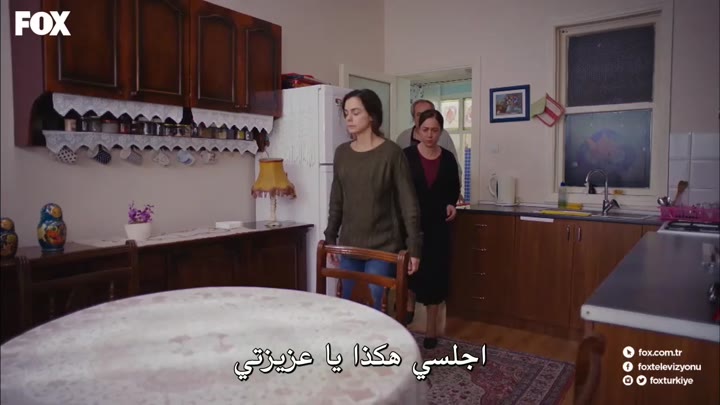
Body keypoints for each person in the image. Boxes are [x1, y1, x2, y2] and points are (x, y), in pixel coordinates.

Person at [324, 88, 422, 312]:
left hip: (383, 247)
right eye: (346, 113)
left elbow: (409, 205)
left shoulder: (391, 153)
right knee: (347, 308)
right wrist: (330, 239)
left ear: (372, 116)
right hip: (349, 246)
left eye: (356, 112)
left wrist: (414, 247)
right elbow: (336, 200)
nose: (349, 118)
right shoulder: (342, 153)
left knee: (376, 308)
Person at [403, 108, 460, 349]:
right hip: (411, 225)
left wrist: (451, 204)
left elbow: (453, 189)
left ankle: (431, 330)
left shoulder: (447, 158)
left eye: (435, 130)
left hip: (438, 226)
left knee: (436, 277)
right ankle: (407, 309)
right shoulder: (406, 156)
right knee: (410, 273)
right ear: (418, 130)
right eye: (425, 130)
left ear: (441, 132)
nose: (429, 135)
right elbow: (399, 189)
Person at [396, 99, 463, 201]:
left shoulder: (444, 139)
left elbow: (454, 170)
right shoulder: (403, 139)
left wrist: (454, 195)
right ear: (413, 117)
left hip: (440, 200)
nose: (430, 135)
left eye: (428, 113)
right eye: (419, 114)